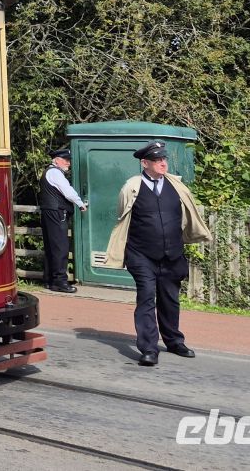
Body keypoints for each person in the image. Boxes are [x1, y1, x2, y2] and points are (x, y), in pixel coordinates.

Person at [104, 141, 213, 366]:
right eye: (157, 160)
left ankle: (174, 341)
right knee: (146, 298)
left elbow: (186, 215)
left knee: (170, 299)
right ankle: (149, 348)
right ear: (145, 163)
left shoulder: (176, 186)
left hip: (172, 254)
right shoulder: (132, 187)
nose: (163, 163)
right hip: (141, 255)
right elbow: (122, 216)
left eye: (164, 159)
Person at [39, 147, 88, 293]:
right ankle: (60, 281)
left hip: (49, 212)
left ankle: (50, 280)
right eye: (66, 160)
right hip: (56, 213)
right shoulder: (55, 173)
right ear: (57, 160)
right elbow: (67, 191)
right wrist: (80, 203)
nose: (68, 163)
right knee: (60, 247)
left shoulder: (49, 172)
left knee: (51, 246)